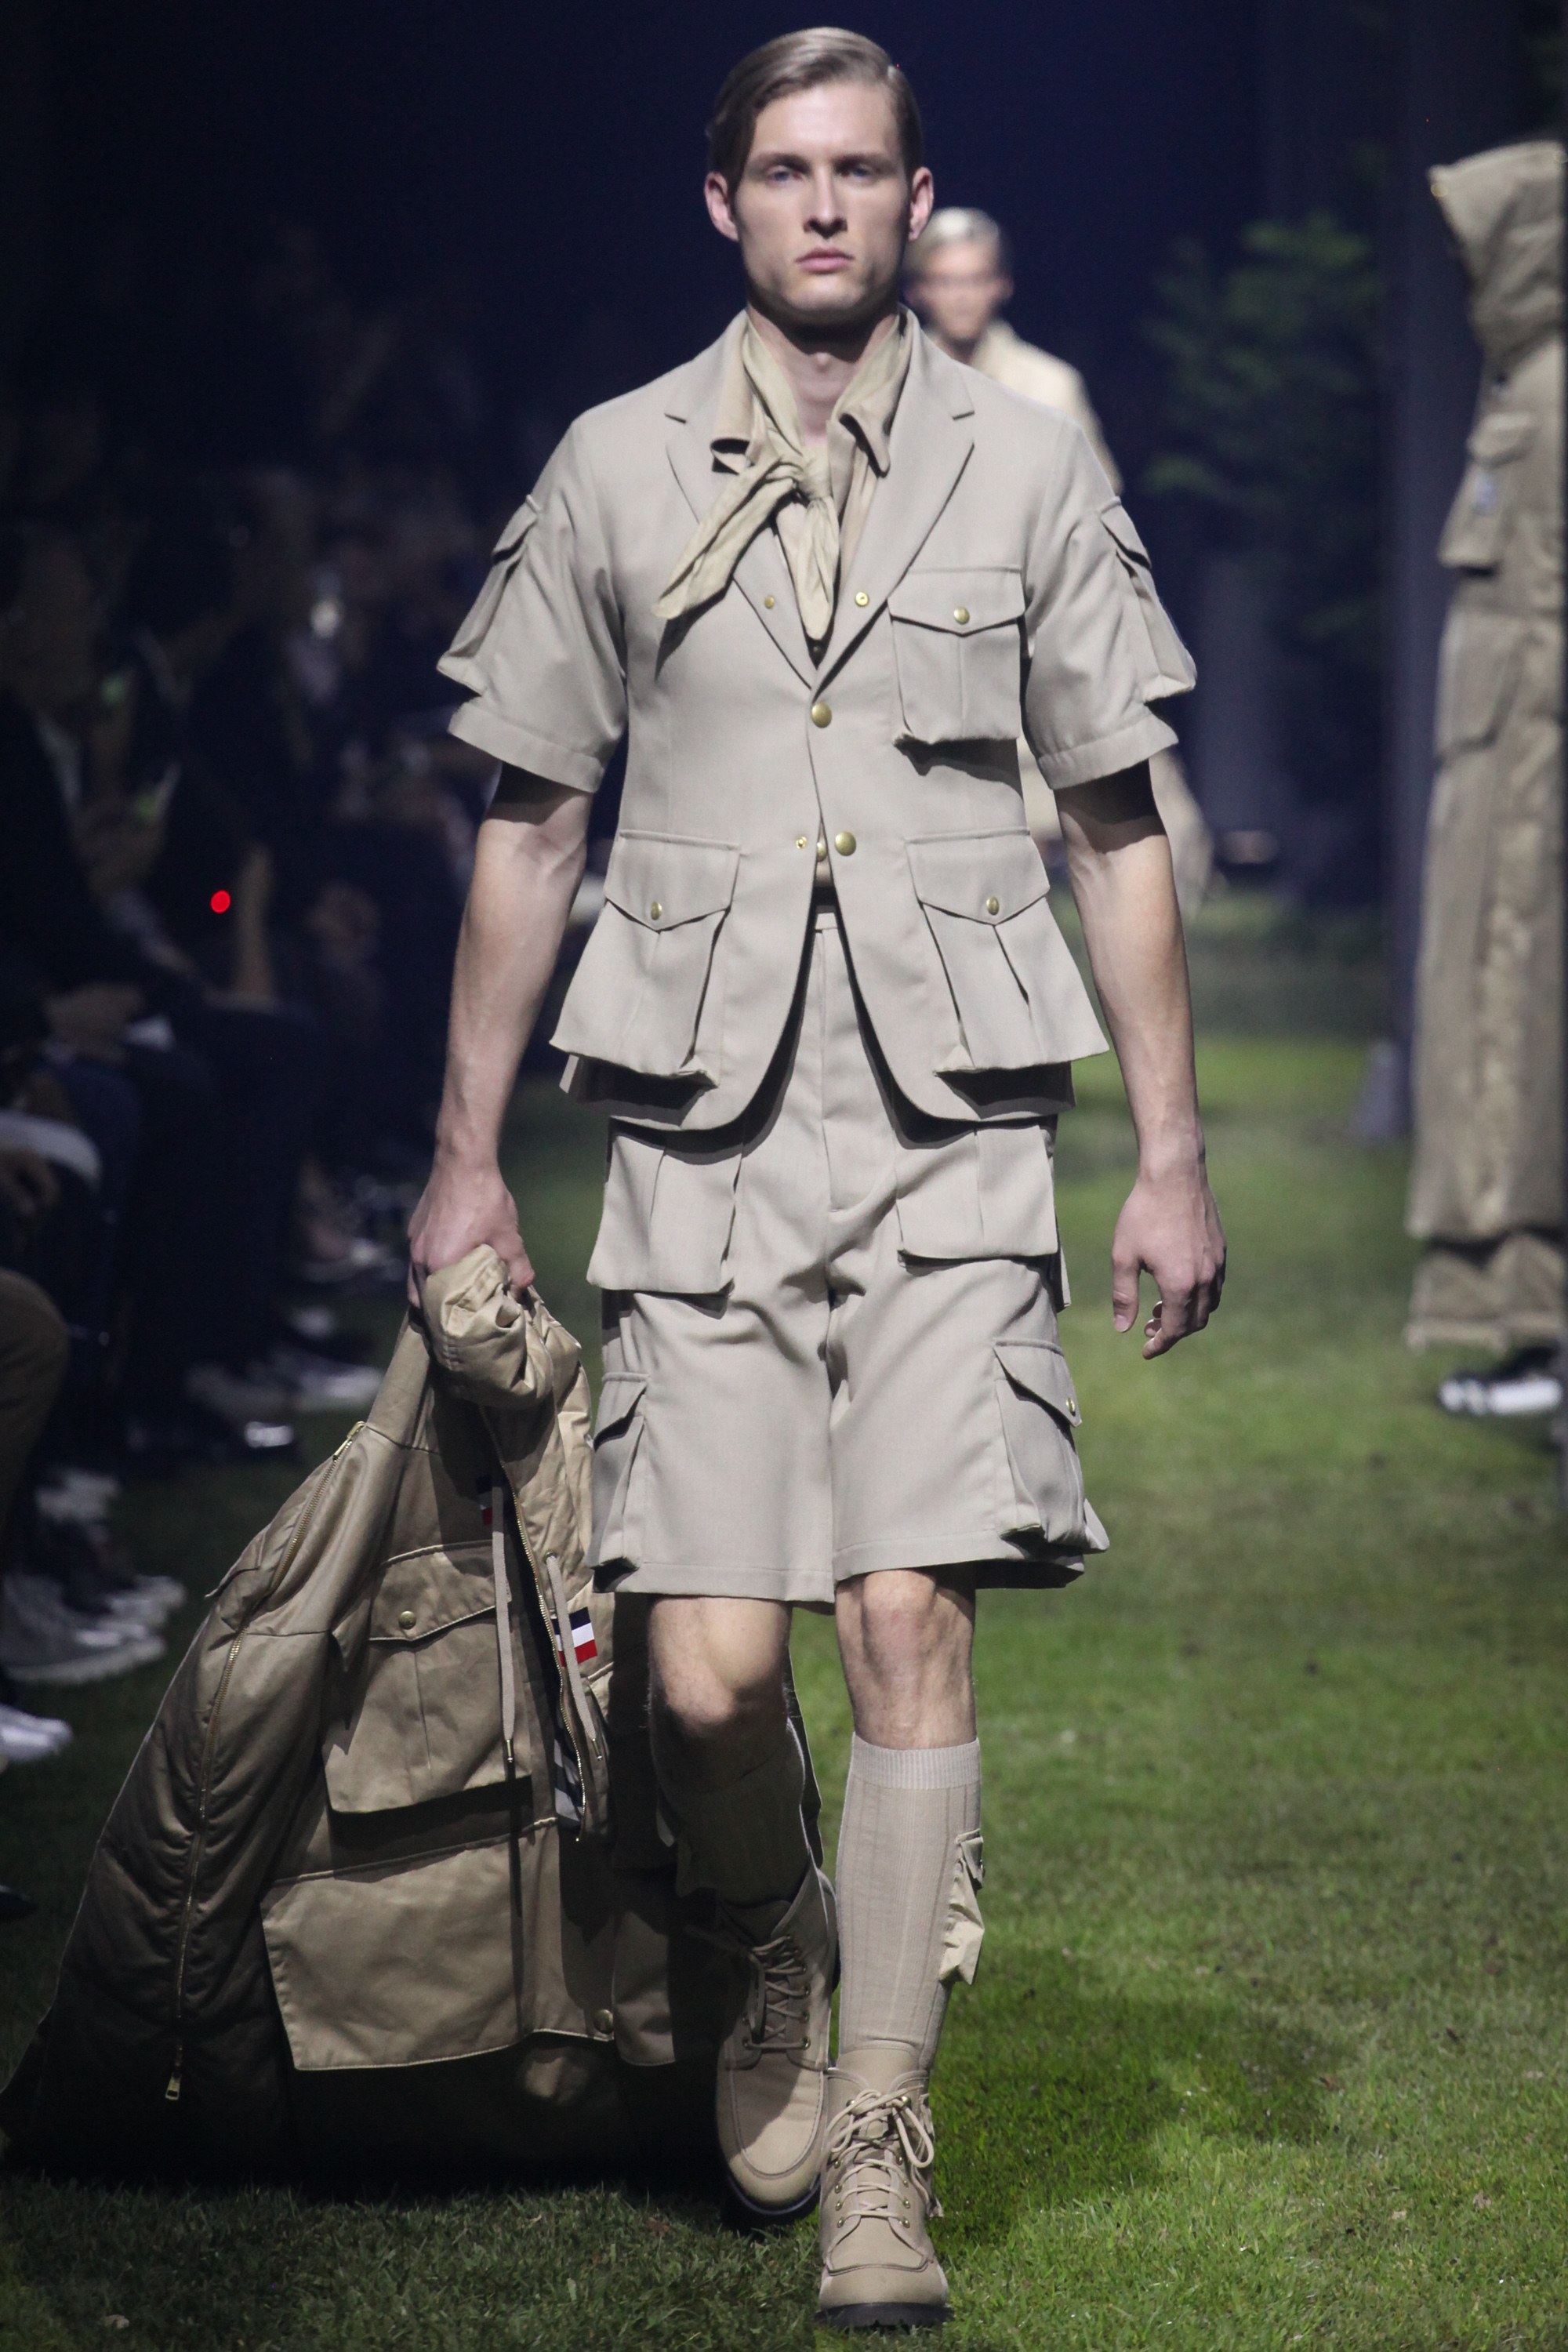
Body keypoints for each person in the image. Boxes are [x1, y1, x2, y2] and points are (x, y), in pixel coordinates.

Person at [410, 29, 1225, 2332]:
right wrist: (463, 1159)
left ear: (913, 192)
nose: (828, 204)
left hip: (952, 1117)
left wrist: (1169, 1155)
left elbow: (1114, 824)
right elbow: (530, 823)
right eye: (786, 169)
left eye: (862, 168)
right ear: (723, 202)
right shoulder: (610, 465)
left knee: (903, 1610)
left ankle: (881, 2129)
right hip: (702, 1124)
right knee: (697, 1682)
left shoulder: (1027, 464)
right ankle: (774, 1924)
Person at [907, 205, 1212, 919]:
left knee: (1100, 773)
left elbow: (1095, 517)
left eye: (974, 279)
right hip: (918, 624)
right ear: (919, 289)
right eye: (945, 280)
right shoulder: (891, 386)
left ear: (1000, 286)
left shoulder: (1049, 386)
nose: (960, 297)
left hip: (1029, 615)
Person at [1406, 140, 1564, 1420]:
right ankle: (1519, 1321)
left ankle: (1538, 1326)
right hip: (1503, 775)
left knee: (1518, 1034)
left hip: (1531, 787)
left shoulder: (1553, 400)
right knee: (1492, 1030)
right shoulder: (1526, 388)